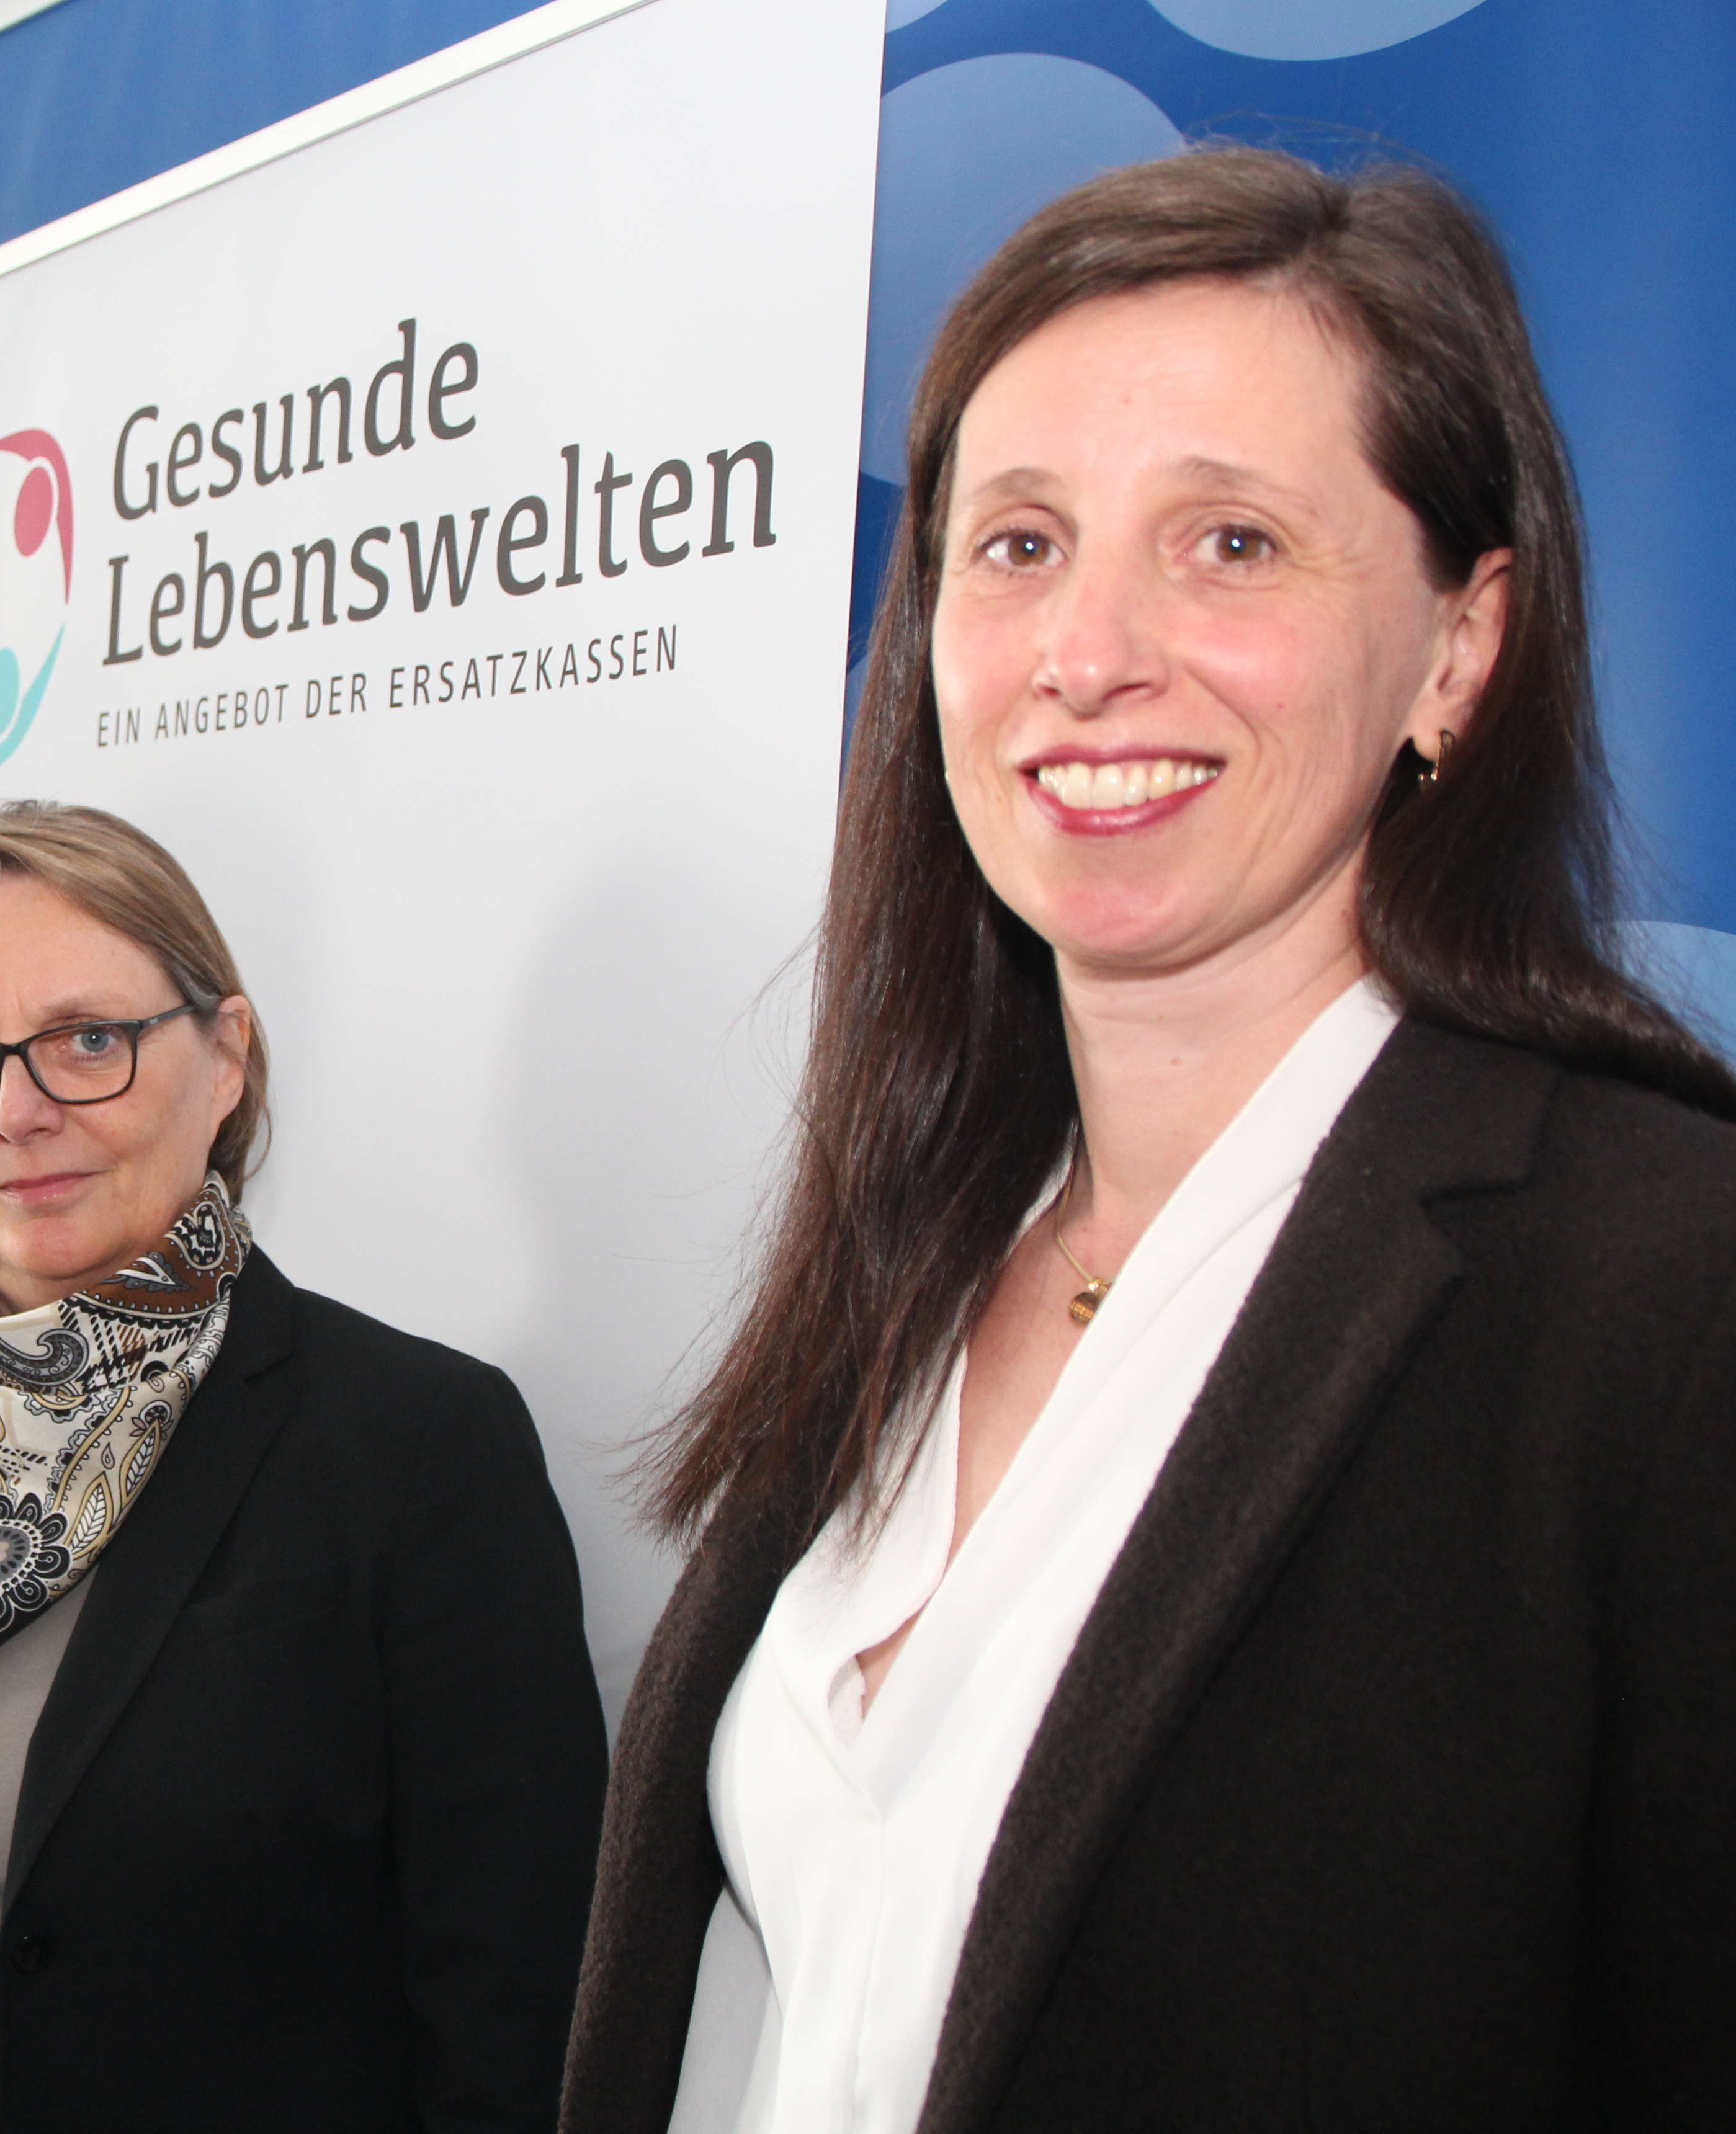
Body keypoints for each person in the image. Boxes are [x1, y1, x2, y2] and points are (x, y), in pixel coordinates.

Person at [558, 147, 1736, 2134]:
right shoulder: (918, 1250)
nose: (1088, 650)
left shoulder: (1672, 1296)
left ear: (1460, 648)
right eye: (1019, 544)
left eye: (1233, 543)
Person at [0, 802, 607, 2134]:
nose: (16, 1112)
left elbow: (512, 2009)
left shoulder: (420, 1449)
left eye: (88, 1040)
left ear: (225, 1059)